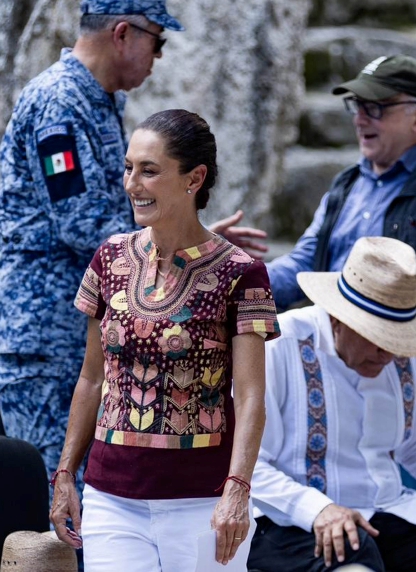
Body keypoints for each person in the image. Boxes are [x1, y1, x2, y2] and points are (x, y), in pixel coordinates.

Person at [0, 0, 266, 496]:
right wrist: (184, 248)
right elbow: (78, 222)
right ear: (123, 33)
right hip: (46, 345)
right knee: (60, 509)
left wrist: (192, 243)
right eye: (157, 40)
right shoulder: (60, 104)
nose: (159, 56)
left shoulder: (98, 101)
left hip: (86, 340)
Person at [49, 109, 280, 572]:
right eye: (129, 168)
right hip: (111, 497)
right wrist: (64, 475)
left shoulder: (241, 273)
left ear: (194, 178)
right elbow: (92, 379)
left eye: (149, 171)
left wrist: (238, 488)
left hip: (203, 504)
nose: (132, 183)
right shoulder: (110, 258)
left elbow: (252, 395)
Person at [248, 236, 416, 572]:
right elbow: (245, 463)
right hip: (289, 522)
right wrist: (317, 509)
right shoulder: (278, 345)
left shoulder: (401, 358)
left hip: (388, 512)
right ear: (339, 317)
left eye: (395, 341)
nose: (389, 354)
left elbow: (411, 452)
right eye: (377, 337)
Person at [267, 55, 416, 310]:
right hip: (330, 337)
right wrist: (234, 278)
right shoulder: (347, 184)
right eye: (357, 106)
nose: (359, 120)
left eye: (376, 107)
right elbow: (305, 264)